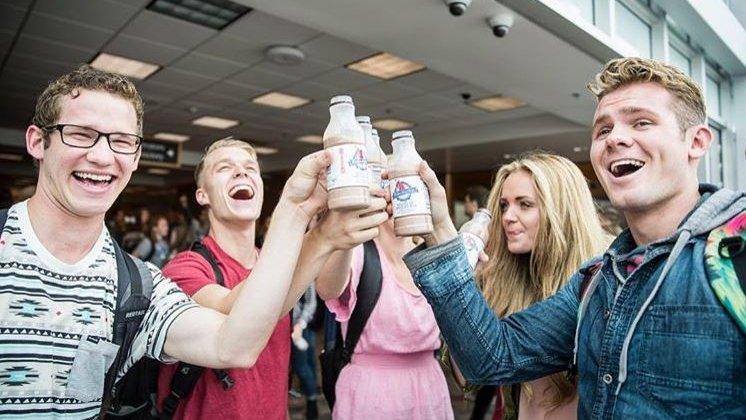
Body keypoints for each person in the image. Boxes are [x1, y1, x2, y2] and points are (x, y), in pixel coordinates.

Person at [400, 57, 745, 419]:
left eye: (641, 122)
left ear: (697, 141)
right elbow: (493, 357)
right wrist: (440, 229)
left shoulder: (733, 258)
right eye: (603, 130)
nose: (616, 138)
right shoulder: (595, 281)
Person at [0, 64, 339, 418]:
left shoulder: (138, 287)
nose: (102, 157)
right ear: (37, 142)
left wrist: (295, 213)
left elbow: (233, 346)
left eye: (121, 141)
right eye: (81, 134)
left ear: (134, 157)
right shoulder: (183, 268)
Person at [155, 138, 387, 419]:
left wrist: (341, 232)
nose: (242, 173)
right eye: (225, 168)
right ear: (202, 195)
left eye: (250, 168)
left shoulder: (282, 260)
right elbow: (238, 313)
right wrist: (318, 234)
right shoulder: (183, 269)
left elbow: (331, 289)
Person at [473, 153, 611, 418]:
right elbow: (470, 371)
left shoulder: (603, 281)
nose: (508, 217)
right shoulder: (504, 280)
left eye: (524, 205)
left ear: (561, 210)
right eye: (504, 205)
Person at [316, 207, 453, 419]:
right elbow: (328, 288)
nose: (398, 195)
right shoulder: (359, 252)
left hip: (430, 390)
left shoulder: (433, 255)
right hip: (371, 395)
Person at [291, 284, 319, 419]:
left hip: (302, 326)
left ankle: (312, 402)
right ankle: (312, 402)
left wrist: (300, 325)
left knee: (302, 366)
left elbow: (311, 303)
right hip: (299, 325)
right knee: (307, 364)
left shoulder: (306, 273)